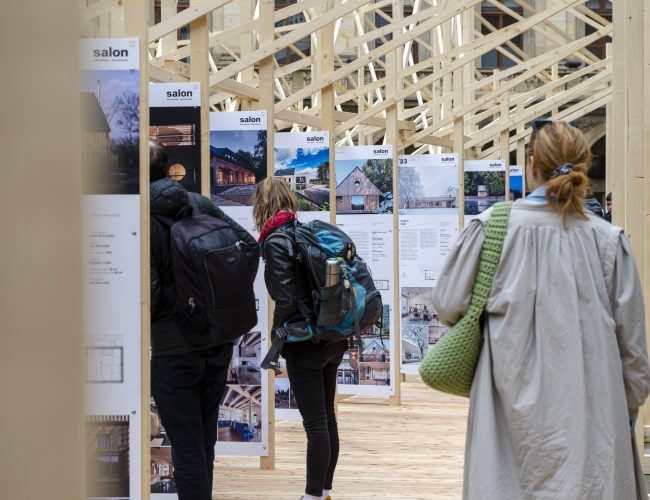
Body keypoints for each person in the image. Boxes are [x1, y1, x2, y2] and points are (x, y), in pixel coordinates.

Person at [433, 122, 650, 499]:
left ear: (531, 165)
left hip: (507, 417)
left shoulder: (492, 230)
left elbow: (449, 304)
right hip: (593, 420)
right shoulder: (608, 243)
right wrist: (625, 414)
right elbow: (633, 352)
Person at [149, 140, 260, 500]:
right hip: (216, 340)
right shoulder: (199, 202)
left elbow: (149, 294)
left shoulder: (141, 219)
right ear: (170, 169)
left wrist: (166, 318)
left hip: (173, 348)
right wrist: (221, 304)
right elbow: (249, 247)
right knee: (203, 439)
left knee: (185, 447)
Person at [253, 177, 346, 500]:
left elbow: (286, 300)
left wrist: (277, 336)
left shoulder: (276, 242)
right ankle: (324, 490)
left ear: (261, 206)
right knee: (326, 417)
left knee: (315, 423)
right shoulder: (306, 233)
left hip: (305, 343)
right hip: (332, 336)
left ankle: (312, 496)